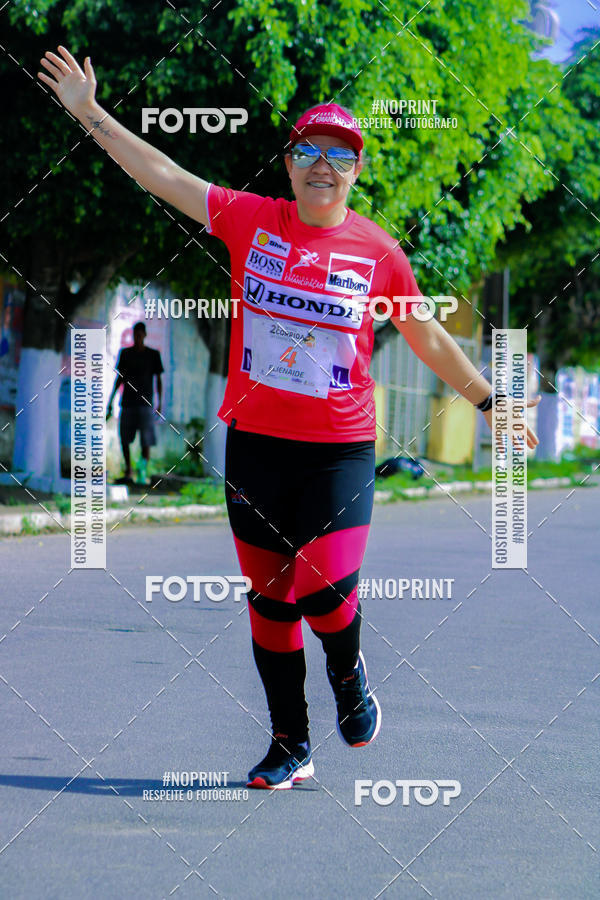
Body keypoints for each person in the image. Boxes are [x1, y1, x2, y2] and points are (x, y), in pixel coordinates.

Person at [39, 47, 540, 790]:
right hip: (255, 447)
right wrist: (88, 114)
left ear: (356, 173)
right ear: (290, 161)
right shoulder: (251, 221)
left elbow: (425, 334)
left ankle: (348, 673)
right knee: (271, 601)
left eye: (341, 155)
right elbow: (163, 174)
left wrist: (489, 400)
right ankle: (290, 743)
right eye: (311, 150)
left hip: (338, 450)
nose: (324, 165)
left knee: (322, 588)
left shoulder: (378, 252)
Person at [106, 321, 164, 484]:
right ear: (133, 335)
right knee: (124, 438)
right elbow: (120, 378)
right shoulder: (126, 354)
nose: (138, 337)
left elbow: (158, 379)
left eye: (140, 334)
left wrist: (159, 403)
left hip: (146, 403)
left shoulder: (153, 355)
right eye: (135, 334)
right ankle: (128, 471)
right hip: (128, 403)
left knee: (146, 440)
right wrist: (111, 400)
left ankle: (142, 471)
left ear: (144, 335)